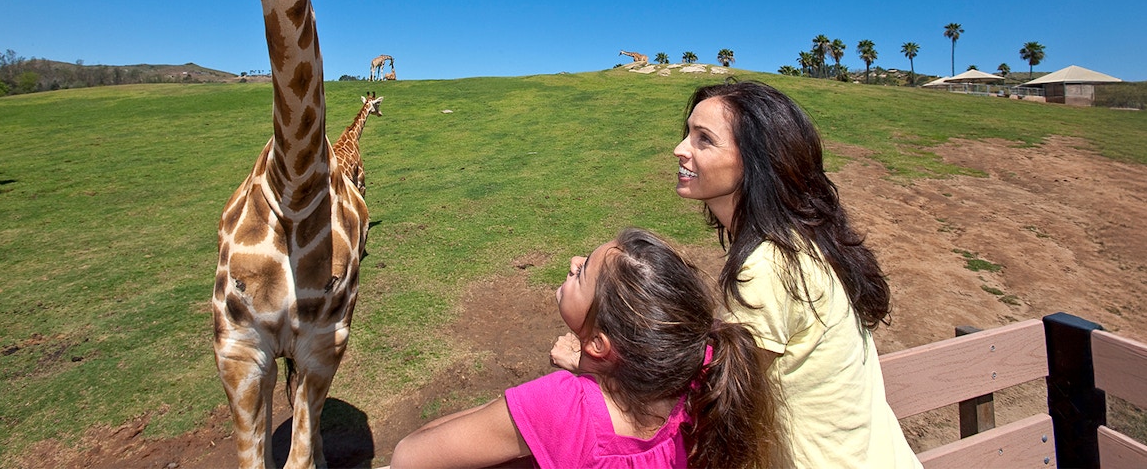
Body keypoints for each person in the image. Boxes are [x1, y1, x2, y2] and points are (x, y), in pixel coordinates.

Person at [674, 79, 921, 468]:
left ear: (756, 160)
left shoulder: (768, 265)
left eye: (704, 139)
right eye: (688, 133)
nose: (680, 149)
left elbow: (720, 401)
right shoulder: (810, 241)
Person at [388, 227, 783, 469]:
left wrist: (523, 404)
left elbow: (411, 456)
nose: (573, 260)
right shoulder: (697, 384)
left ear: (598, 344)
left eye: (583, 272)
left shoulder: (562, 405)